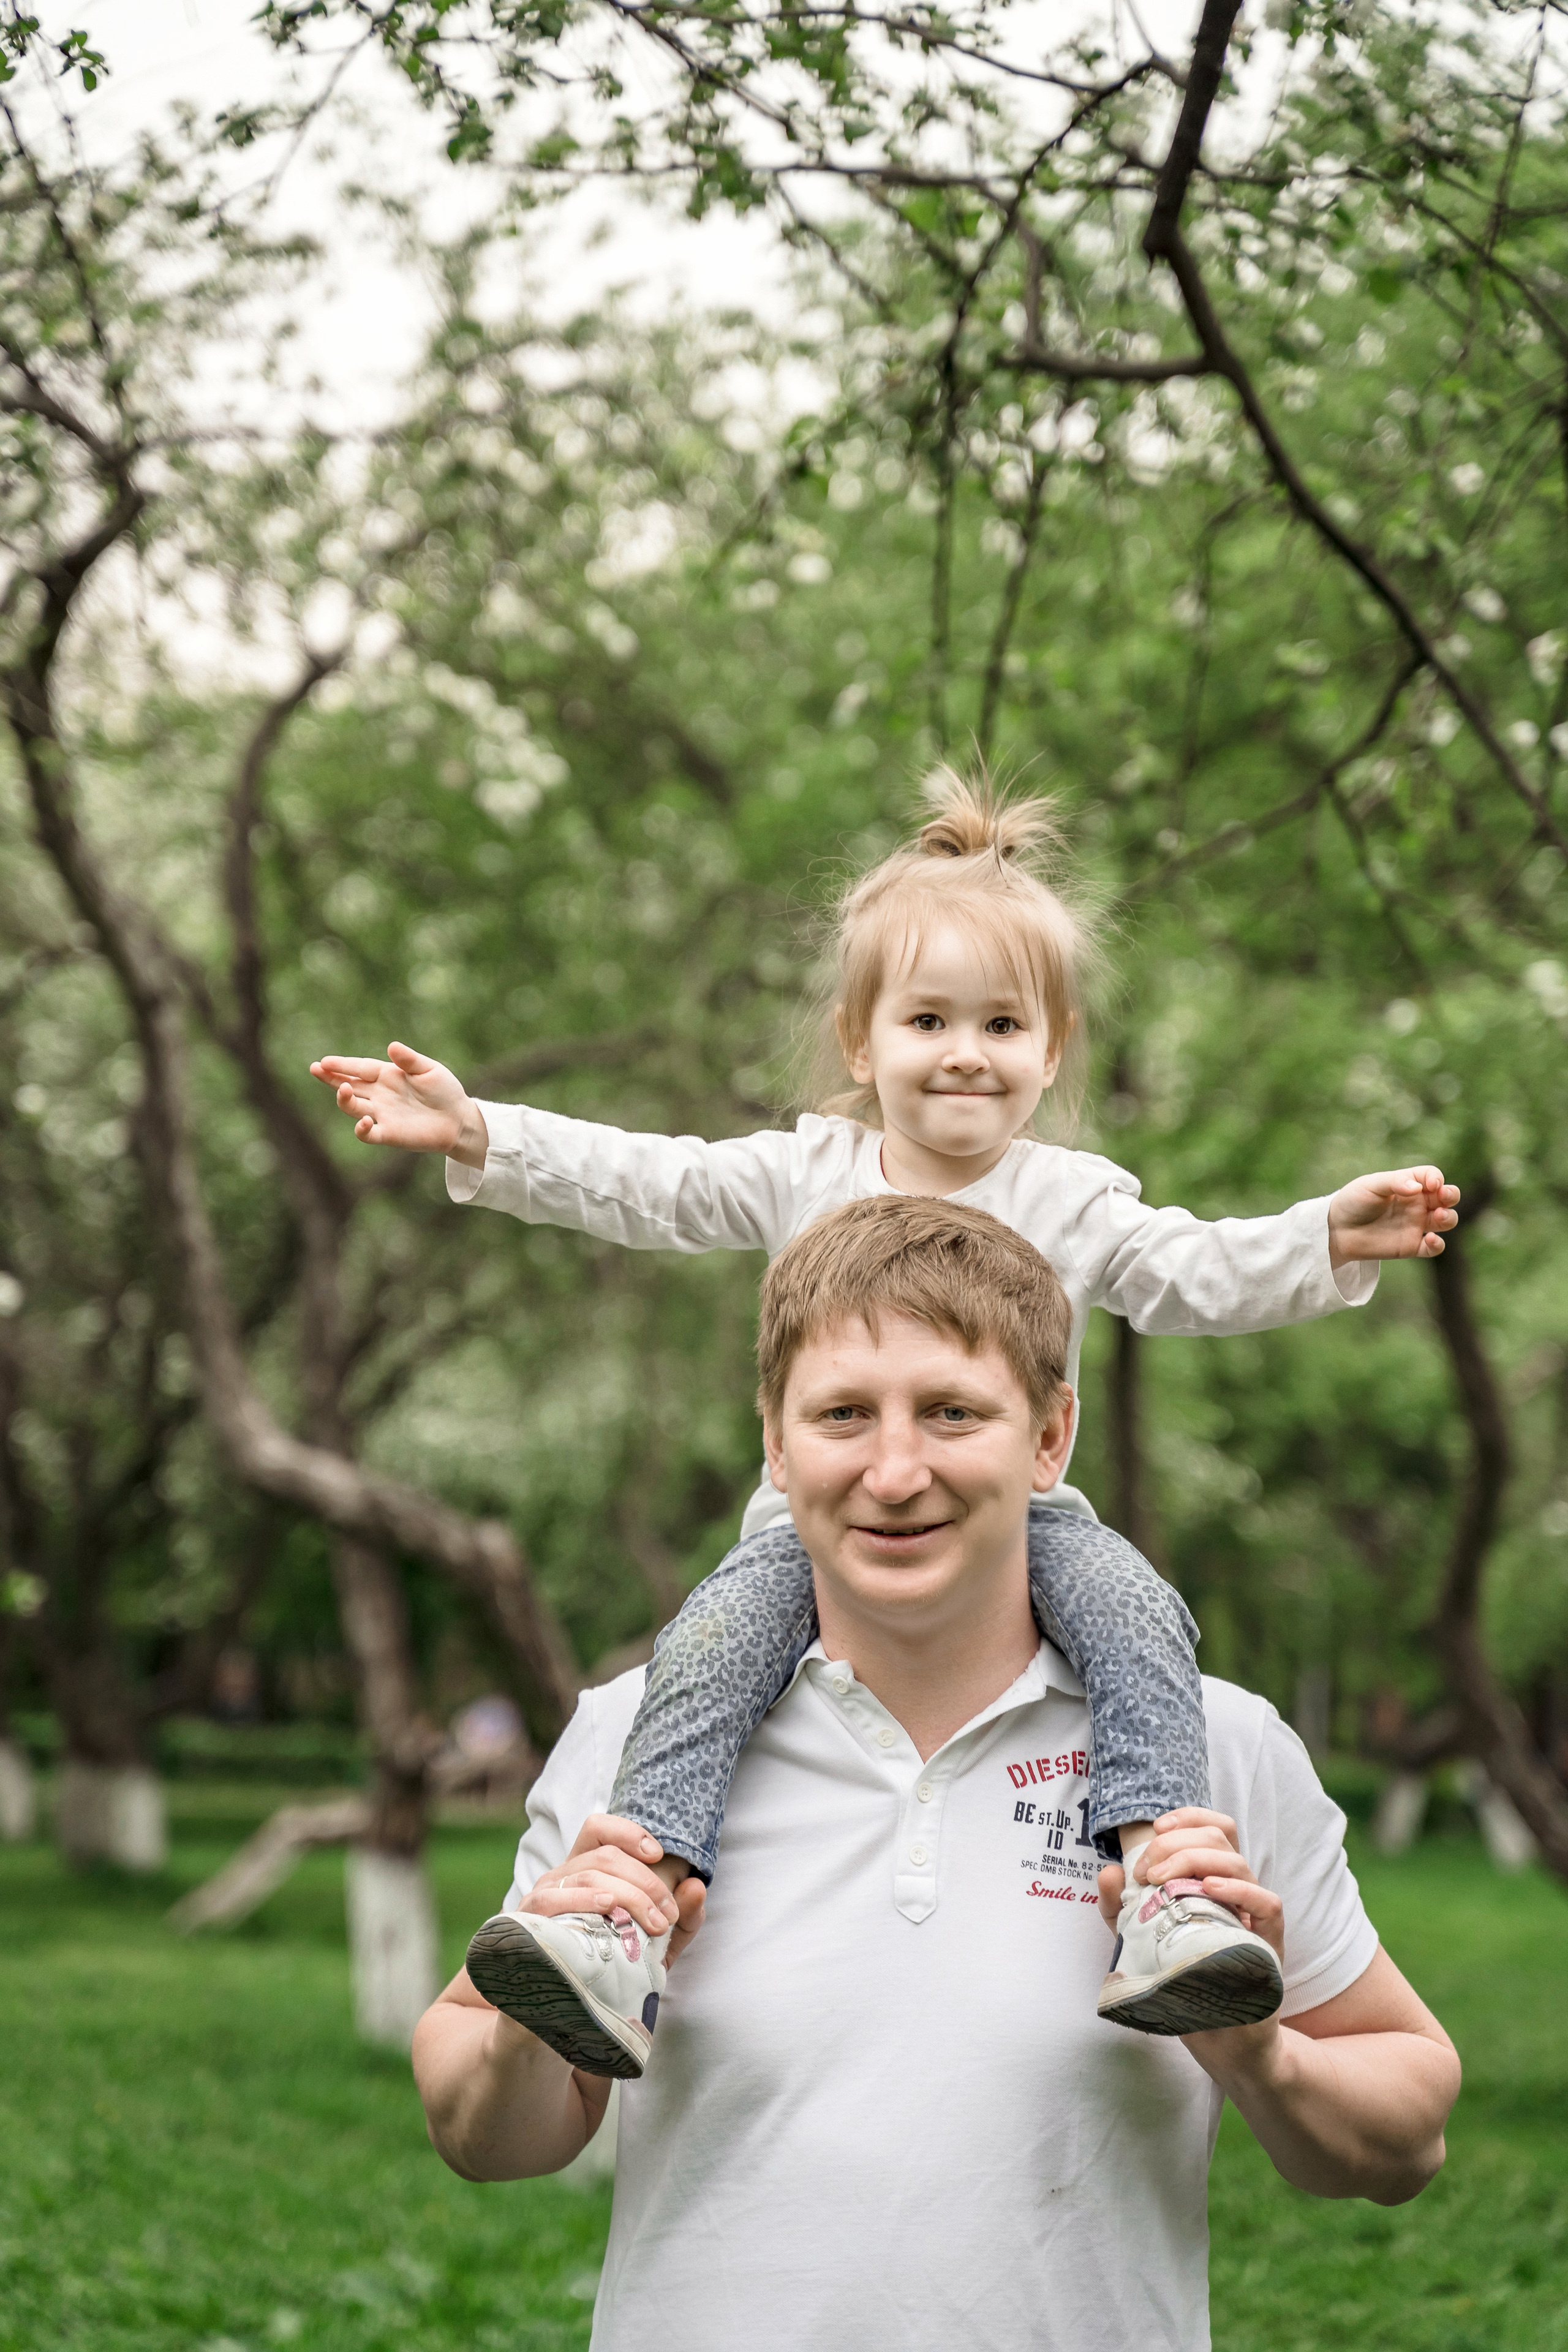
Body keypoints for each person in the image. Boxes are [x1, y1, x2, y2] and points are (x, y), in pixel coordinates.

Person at [312, 774, 1459, 2057]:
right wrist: (482, 1134)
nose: (965, 1051)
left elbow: (1193, 1271)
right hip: (806, 1534)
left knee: (1139, 1619)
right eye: (927, 1020)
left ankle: (1165, 1896)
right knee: (702, 1658)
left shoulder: (1074, 1199)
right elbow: (644, 1182)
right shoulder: (803, 1169)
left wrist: (1321, 1239)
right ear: (860, 1042)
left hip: (1024, 1524)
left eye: (1002, 1024)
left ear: (1051, 1048)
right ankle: (623, 1920)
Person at [411, 1196, 1461, 2352]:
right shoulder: (640, 1736)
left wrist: (1262, 2060)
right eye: (843, 1414)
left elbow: (1408, 2135)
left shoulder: (1218, 1747)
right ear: (776, 1443)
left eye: (953, 1412)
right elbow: (481, 2138)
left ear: (1050, 1436)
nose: (896, 1471)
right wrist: (527, 2032)